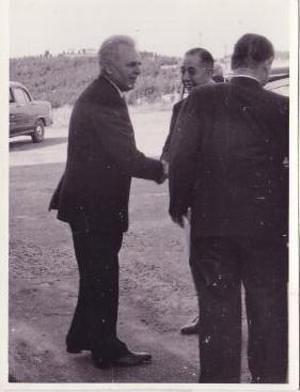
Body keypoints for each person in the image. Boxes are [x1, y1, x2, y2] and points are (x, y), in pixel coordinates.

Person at [168, 33, 288, 383]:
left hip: (212, 228)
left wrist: (179, 203)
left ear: (233, 62)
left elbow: (181, 155)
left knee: (218, 313)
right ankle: (269, 380)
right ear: (265, 66)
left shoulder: (202, 99)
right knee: (268, 311)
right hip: (266, 230)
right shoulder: (281, 108)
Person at [49, 35, 167, 369]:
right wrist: (163, 169)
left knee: (95, 276)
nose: (139, 71)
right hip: (93, 208)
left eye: (139, 64)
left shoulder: (102, 93)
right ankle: (107, 350)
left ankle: (84, 338)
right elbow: (126, 157)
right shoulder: (105, 99)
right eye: (132, 65)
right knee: (102, 278)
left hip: (87, 205)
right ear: (109, 66)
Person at [161, 48, 215, 335]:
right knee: (198, 261)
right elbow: (170, 153)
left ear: (209, 69)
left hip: (230, 202)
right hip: (196, 204)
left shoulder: (229, 100)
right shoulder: (179, 109)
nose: (185, 77)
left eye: (191, 71)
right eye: (182, 71)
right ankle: (207, 315)